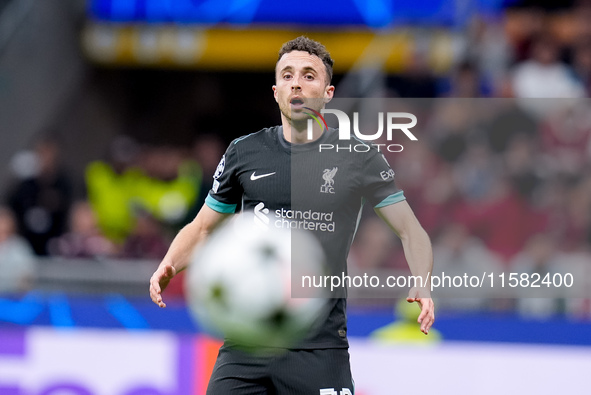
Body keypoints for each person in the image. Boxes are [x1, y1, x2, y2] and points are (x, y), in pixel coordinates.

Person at [149, 36, 435, 394]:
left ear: (328, 92)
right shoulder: (244, 152)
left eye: (308, 75)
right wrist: (170, 263)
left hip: (319, 345)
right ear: (275, 90)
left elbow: (411, 230)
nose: (296, 82)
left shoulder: (358, 157)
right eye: (287, 75)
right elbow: (204, 226)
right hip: (248, 339)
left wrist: (422, 281)